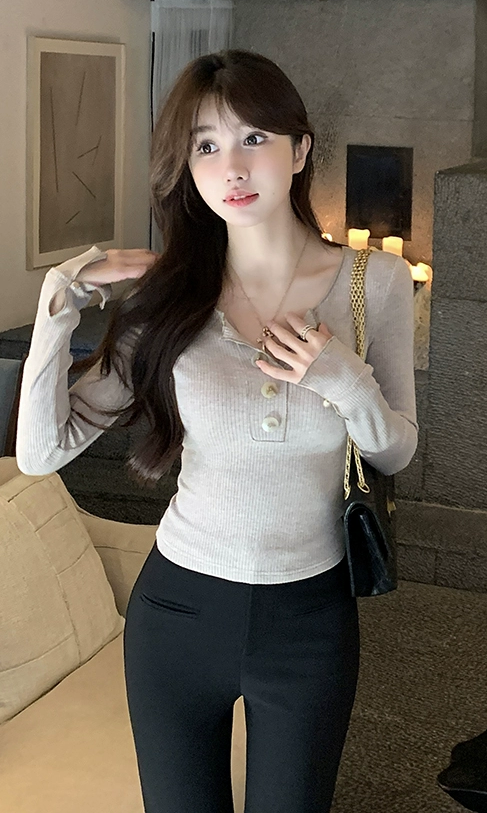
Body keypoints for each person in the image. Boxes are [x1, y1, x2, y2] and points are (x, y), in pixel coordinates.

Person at [14, 49, 418, 813]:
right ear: (188, 168)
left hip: (311, 620)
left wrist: (341, 377)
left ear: (299, 151)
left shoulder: (376, 283)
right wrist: (55, 306)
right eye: (205, 145)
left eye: (254, 138)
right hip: (177, 613)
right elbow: (41, 453)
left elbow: (397, 448)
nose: (231, 166)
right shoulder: (170, 300)